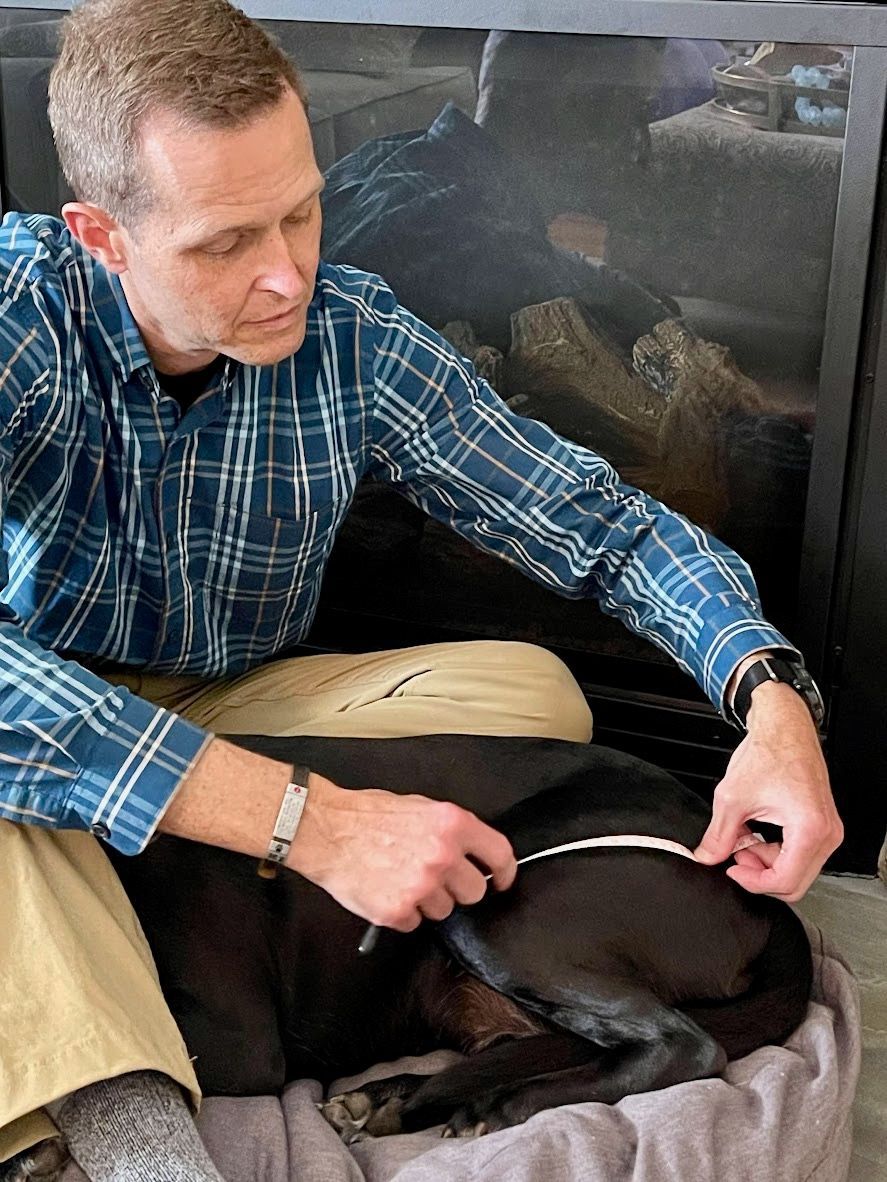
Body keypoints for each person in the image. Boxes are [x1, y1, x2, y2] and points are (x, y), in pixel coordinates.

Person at [0, 1, 841, 1179]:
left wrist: (771, 703)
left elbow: (598, 528)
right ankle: (123, 1134)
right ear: (100, 236)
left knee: (535, 694)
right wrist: (309, 822)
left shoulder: (354, 338)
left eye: (300, 209)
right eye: (225, 242)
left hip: (245, 698)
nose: (287, 274)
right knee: (16, 797)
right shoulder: (18, 321)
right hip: (41, 704)